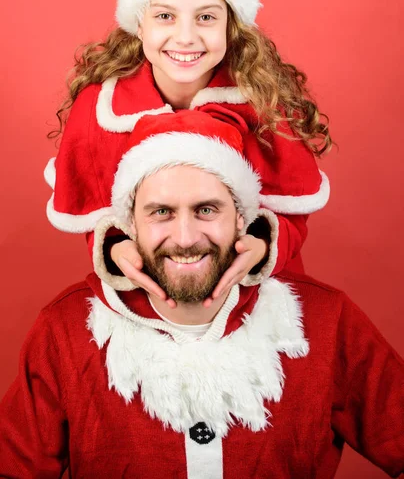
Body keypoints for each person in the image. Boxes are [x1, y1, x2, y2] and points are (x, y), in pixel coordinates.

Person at [2, 110, 403, 478]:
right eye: (161, 212)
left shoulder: (325, 320)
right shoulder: (65, 330)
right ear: (129, 226)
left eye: (206, 210)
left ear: (242, 219)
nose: (185, 238)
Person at [44, 0, 331, 307]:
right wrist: (113, 248)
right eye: (165, 16)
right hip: (152, 295)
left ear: (231, 27)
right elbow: (92, 213)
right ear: (138, 26)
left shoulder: (265, 102)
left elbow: (293, 212)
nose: (185, 37)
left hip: (259, 298)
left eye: (206, 17)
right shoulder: (99, 110)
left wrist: (262, 247)